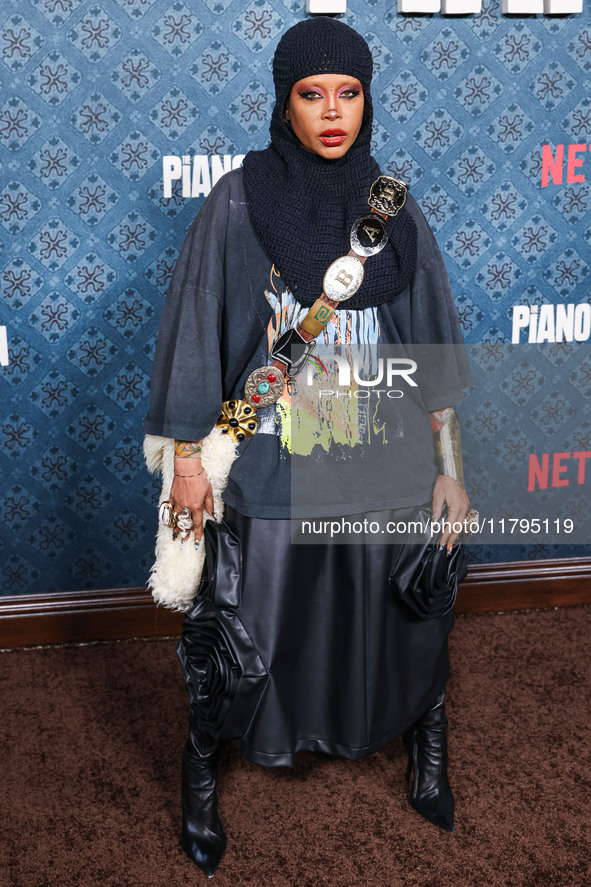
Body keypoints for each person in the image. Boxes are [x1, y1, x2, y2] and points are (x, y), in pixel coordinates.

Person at [144, 16, 472, 878]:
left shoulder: (390, 206)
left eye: (349, 93)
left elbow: (432, 352)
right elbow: (192, 338)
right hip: (272, 460)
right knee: (242, 629)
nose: (333, 112)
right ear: (282, 102)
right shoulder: (239, 202)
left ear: (368, 100)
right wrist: (186, 462)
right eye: (311, 93)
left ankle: (425, 743)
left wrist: (450, 474)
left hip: (382, 459)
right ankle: (203, 770)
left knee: (403, 617)